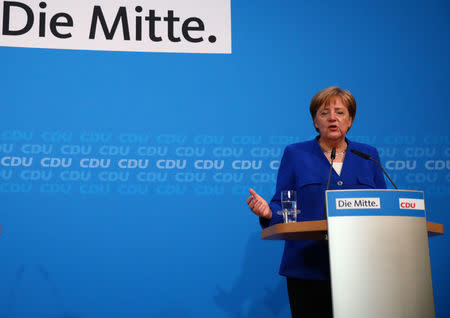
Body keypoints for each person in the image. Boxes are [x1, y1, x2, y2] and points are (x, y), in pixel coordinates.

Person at [246, 86, 387, 318]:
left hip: (361, 267)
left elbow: (384, 208)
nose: (332, 118)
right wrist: (268, 213)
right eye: (324, 113)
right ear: (315, 122)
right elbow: (283, 204)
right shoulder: (295, 154)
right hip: (307, 267)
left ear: (350, 120)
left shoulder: (368, 155)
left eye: (340, 112)